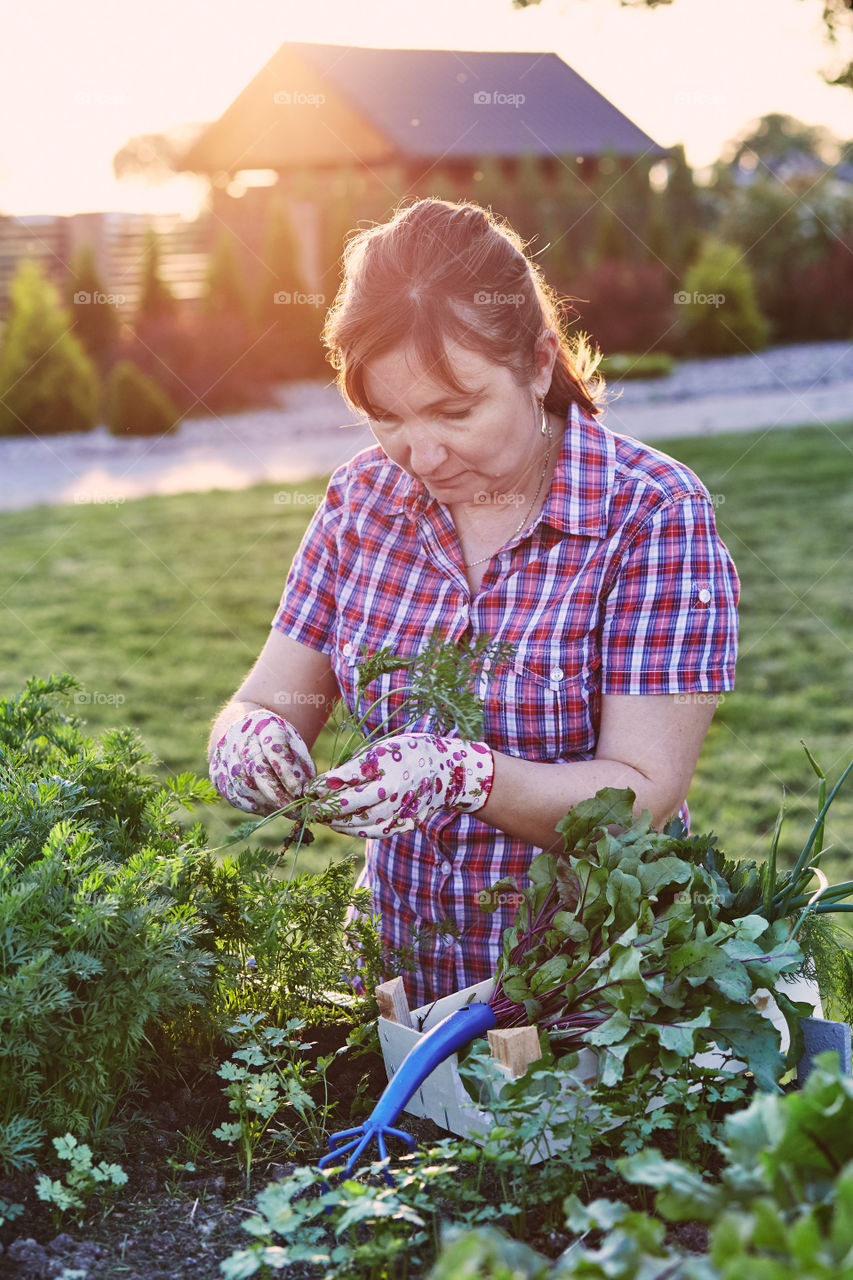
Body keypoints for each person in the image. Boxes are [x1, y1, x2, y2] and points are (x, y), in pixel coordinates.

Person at [208, 198, 739, 1008]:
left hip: (591, 992)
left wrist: (459, 773)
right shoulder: (363, 498)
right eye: (385, 416)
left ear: (535, 361)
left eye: (456, 412)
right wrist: (247, 742)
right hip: (397, 975)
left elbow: (640, 799)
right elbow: (266, 698)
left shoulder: (650, 511)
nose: (418, 454)